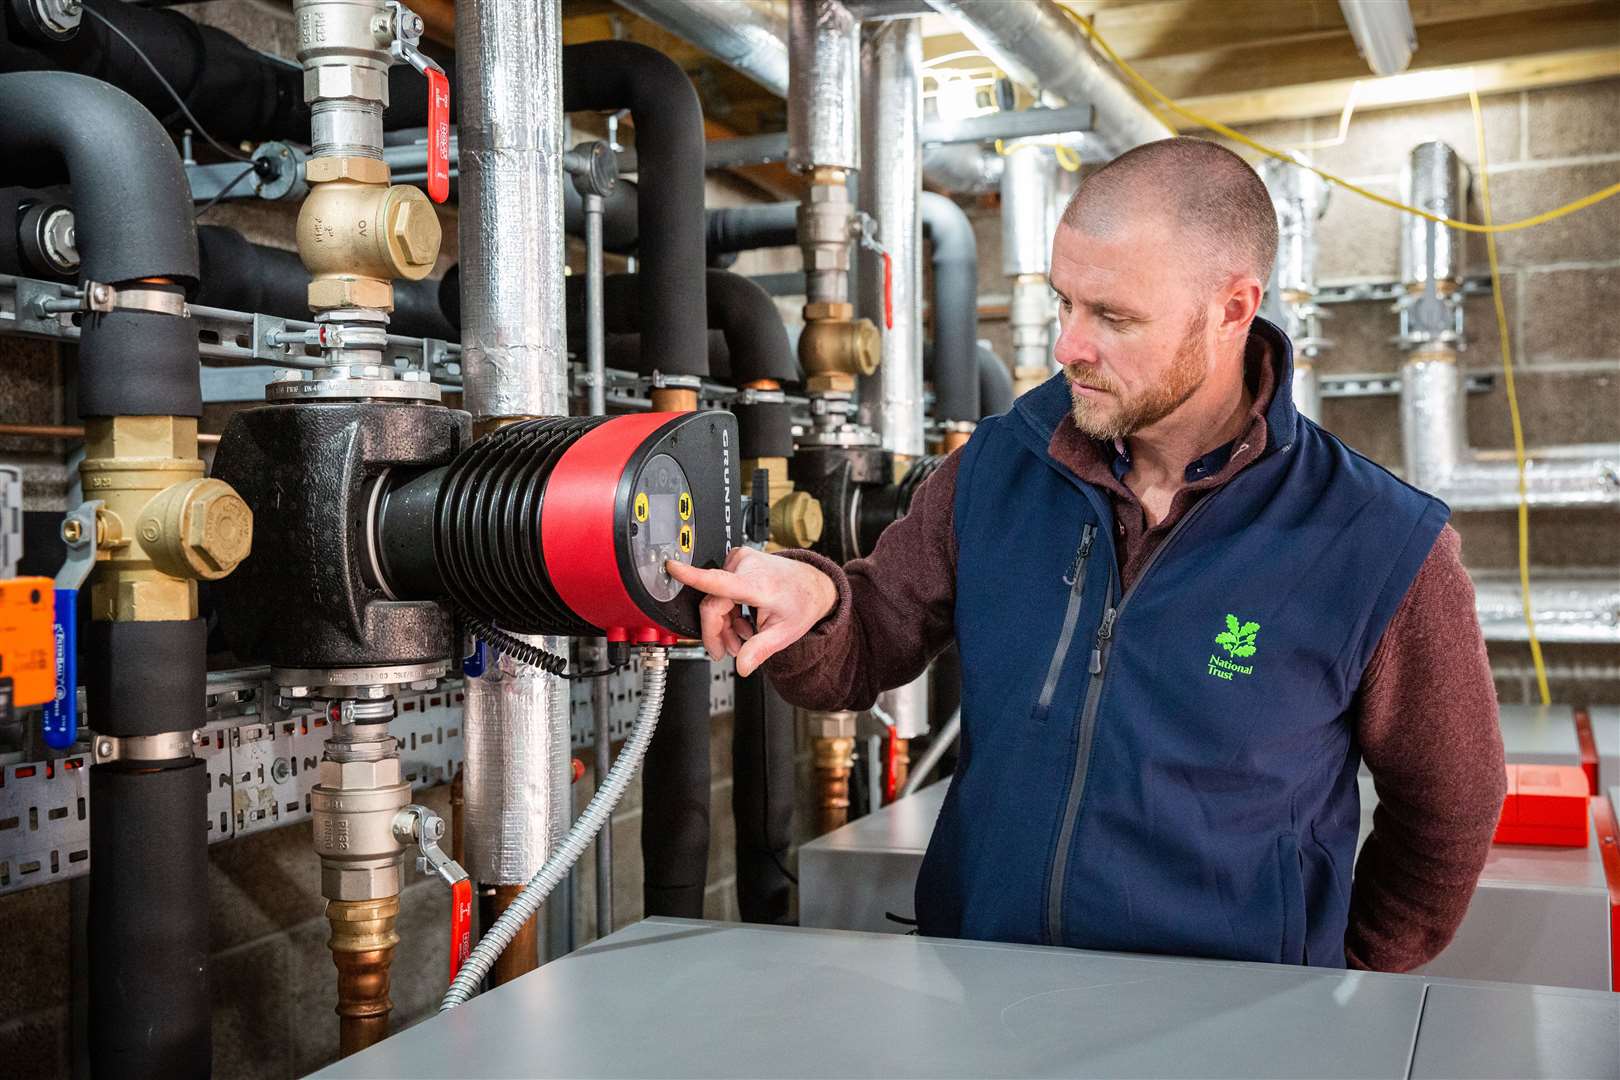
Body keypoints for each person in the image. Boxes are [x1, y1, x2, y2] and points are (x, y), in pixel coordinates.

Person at [668, 137, 1506, 971]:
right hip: (986, 994)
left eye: (1113, 317)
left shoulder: (1378, 540)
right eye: (1066, 302)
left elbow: (1450, 806)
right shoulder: (1000, 465)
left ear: (1232, 307)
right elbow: (871, 634)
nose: (1069, 345)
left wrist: (1332, 968)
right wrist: (815, 605)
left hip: (1234, 1029)